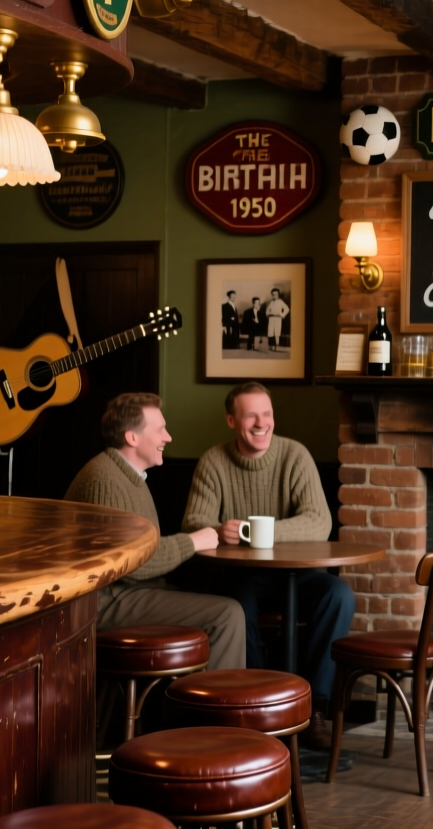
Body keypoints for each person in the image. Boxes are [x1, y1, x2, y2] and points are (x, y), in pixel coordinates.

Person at [184, 382, 353, 748]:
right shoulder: (213, 461)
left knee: (338, 595)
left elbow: (318, 522)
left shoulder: (295, 455)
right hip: (238, 576)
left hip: (296, 574)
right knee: (236, 604)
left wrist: (255, 532)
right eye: (250, 415)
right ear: (232, 420)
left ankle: (314, 709)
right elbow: (193, 523)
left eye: (267, 414)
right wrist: (216, 529)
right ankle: (260, 705)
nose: (261, 423)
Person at [64, 392, 245, 670]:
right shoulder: (105, 480)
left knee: (223, 593)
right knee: (227, 613)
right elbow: (132, 564)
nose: (168, 437)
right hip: (104, 603)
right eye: (160, 429)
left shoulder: (129, 476)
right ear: (132, 438)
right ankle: (219, 711)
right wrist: (192, 542)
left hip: (127, 593)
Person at [264, 287, 290, 353]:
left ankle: (277, 347)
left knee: (277, 332)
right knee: (270, 332)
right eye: (273, 294)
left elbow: (287, 309)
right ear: (272, 295)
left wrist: (282, 314)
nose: (274, 295)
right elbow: (267, 310)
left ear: (278, 295)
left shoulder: (280, 302)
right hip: (271, 318)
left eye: (276, 294)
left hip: (278, 318)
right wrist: (268, 314)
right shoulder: (271, 302)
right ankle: (271, 346)